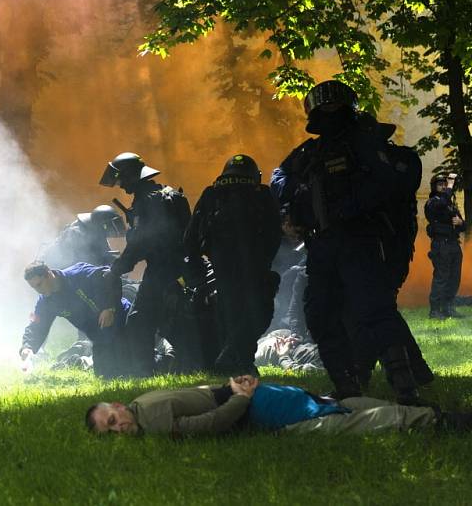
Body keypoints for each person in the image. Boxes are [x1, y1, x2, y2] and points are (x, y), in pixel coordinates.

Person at [272, 80, 425, 405]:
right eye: (323, 111)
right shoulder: (310, 152)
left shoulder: (368, 145)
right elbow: (278, 176)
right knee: (320, 314)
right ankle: (347, 385)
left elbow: (404, 174)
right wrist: (298, 195)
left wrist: (353, 203)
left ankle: (405, 389)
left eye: (334, 110)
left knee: (374, 311)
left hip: (362, 241)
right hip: (323, 245)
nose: (329, 116)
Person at [85, 376, 472, 436]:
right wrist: (239, 384)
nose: (119, 429)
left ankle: (436, 420)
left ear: (119, 405)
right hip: (263, 393)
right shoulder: (142, 401)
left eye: (113, 420)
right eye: (111, 431)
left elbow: (216, 421)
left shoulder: (152, 418)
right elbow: (203, 396)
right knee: (333, 404)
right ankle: (420, 413)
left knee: (334, 421)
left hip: (261, 408)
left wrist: (240, 395)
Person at [99, 152, 196, 377]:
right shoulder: (169, 195)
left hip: (162, 270)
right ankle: (189, 365)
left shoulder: (147, 202)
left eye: (121, 180)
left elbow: (141, 244)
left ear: (131, 176)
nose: (121, 186)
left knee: (139, 321)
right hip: (180, 268)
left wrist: (117, 268)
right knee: (170, 321)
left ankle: (144, 373)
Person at [185, 154, 282, 375]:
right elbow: (274, 232)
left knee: (231, 314)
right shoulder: (261, 194)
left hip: (221, 266)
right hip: (255, 265)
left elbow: (190, 236)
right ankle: (235, 357)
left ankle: (240, 363)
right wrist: (265, 260)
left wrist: (198, 266)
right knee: (260, 313)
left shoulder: (212, 194)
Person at [19, 261, 128, 378]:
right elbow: (37, 326)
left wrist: (109, 308)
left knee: (135, 365)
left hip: (124, 320)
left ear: (48, 274)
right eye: (33, 287)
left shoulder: (78, 274)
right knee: (104, 374)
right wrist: (28, 347)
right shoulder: (46, 301)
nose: (38, 290)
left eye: (39, 284)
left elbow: (110, 277)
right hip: (101, 336)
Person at [425, 173, 466, 319]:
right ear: (434, 187)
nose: (443, 186)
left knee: (454, 278)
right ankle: (435, 310)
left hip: (454, 245)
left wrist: (461, 223)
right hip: (441, 245)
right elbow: (441, 203)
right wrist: (450, 186)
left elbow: (463, 225)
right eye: (440, 184)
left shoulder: (450, 205)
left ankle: (448, 308)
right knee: (441, 278)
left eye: (445, 184)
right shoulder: (433, 202)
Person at [39, 205, 126, 269]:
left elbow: (104, 254)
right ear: (101, 225)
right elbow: (81, 263)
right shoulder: (76, 233)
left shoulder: (96, 232)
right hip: (58, 271)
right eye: (109, 226)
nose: (111, 229)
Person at [254, 329, 322, 371]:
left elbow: (300, 372)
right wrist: (298, 339)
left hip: (277, 350)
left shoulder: (323, 367)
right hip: (288, 339)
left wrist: (283, 355)